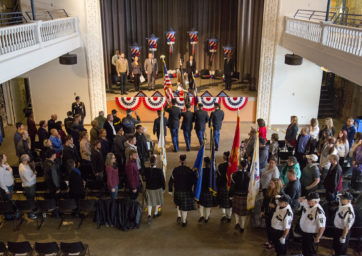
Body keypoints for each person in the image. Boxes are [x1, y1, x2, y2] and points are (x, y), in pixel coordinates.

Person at [168, 154, 197, 227]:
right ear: (186, 160)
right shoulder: (189, 170)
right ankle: (184, 221)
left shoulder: (175, 170)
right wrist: (194, 190)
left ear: (179, 160)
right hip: (187, 191)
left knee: (178, 204)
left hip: (177, 190)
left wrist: (170, 190)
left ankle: (179, 216)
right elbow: (194, 181)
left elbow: (171, 180)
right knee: (184, 207)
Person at [261, 178, 283, 250]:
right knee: (268, 228)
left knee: (272, 229)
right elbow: (264, 201)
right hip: (267, 213)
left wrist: (275, 206)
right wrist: (262, 210)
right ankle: (269, 241)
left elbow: (283, 205)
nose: (270, 185)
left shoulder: (281, 194)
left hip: (274, 214)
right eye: (270, 183)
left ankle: (273, 243)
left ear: (276, 185)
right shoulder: (269, 191)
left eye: (272, 184)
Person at [230, 159, 250, 232]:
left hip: (236, 195)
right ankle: (242, 227)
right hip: (245, 196)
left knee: (236, 211)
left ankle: (237, 222)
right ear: (247, 166)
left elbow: (232, 187)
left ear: (240, 166)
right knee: (243, 213)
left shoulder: (234, 174)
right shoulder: (250, 175)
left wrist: (230, 195)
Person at [144, 155, 165, 224]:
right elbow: (162, 180)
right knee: (157, 201)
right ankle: (156, 213)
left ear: (150, 162)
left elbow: (144, 179)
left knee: (149, 202)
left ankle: (149, 215)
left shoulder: (146, 170)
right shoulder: (159, 171)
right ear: (155, 162)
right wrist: (164, 188)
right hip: (157, 189)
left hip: (149, 188)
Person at [333, 191, 355, 256]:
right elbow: (338, 196)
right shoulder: (343, 204)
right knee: (336, 248)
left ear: (348, 201)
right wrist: (342, 194)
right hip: (337, 230)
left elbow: (347, 226)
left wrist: (343, 237)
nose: (341, 199)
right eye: (341, 198)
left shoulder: (348, 211)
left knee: (341, 250)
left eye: (343, 199)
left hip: (342, 232)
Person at [198, 157, 218, 224]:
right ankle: (206, 218)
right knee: (208, 205)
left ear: (205, 162)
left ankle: (201, 216)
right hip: (209, 190)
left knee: (201, 204)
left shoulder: (202, 170)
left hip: (202, 190)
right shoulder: (212, 172)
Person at [18, 154, 37, 219]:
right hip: (29, 186)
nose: (29, 159)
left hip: (31, 185)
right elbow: (29, 180)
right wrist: (34, 174)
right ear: (24, 160)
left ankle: (32, 210)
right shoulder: (23, 169)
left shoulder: (23, 164)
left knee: (31, 199)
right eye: (28, 159)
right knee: (30, 200)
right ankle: (30, 214)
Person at [217, 152, 232, 223]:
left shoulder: (220, 166)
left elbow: (218, 177)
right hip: (230, 187)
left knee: (222, 202)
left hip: (222, 186)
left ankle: (223, 215)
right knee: (229, 203)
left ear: (225, 157)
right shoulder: (232, 166)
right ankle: (229, 217)